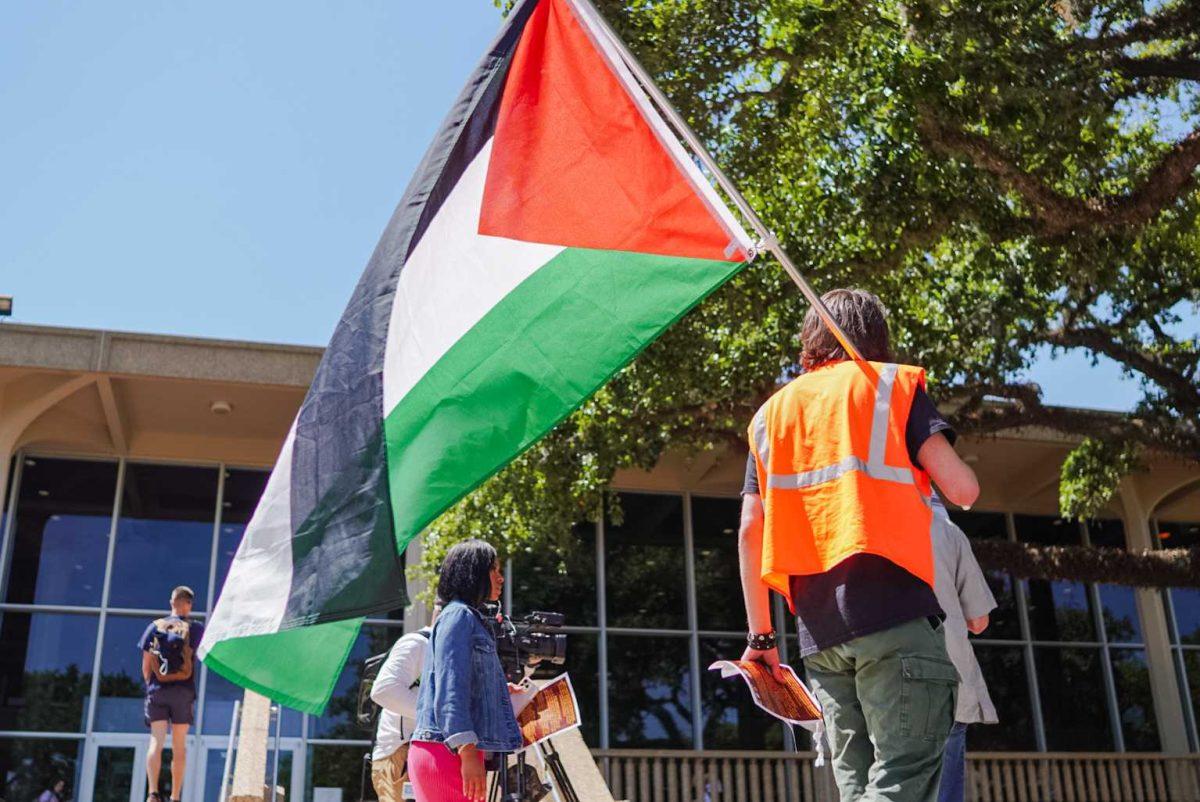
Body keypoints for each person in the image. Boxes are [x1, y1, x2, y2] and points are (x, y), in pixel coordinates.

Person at [738, 289, 981, 802]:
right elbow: (963, 490)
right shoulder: (892, 387)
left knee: (858, 789)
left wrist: (761, 639)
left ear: (810, 339)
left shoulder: (768, 417)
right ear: (876, 336)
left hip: (820, 635)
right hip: (894, 616)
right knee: (903, 780)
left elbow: (749, 529)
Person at [410, 540, 522, 802]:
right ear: (473, 573)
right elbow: (450, 689)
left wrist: (495, 690)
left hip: (449, 750)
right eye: (493, 569)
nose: (501, 578)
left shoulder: (462, 616)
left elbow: (459, 678)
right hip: (447, 752)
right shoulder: (458, 616)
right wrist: (468, 752)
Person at [929, 497, 998, 802]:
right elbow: (979, 620)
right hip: (947, 683)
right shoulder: (946, 529)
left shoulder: (864, 525)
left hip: (879, 680)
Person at [139, 586, 204, 802]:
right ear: (189, 604)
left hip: (158, 690)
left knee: (156, 742)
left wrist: (153, 686)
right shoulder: (195, 629)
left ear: (171, 602)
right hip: (183, 692)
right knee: (179, 744)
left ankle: (153, 793)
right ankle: (175, 796)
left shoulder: (155, 627)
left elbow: (146, 666)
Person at [369, 604, 439, 802]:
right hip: (400, 754)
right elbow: (384, 690)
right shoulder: (418, 643)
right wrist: (439, 717)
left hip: (430, 753)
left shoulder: (454, 651)